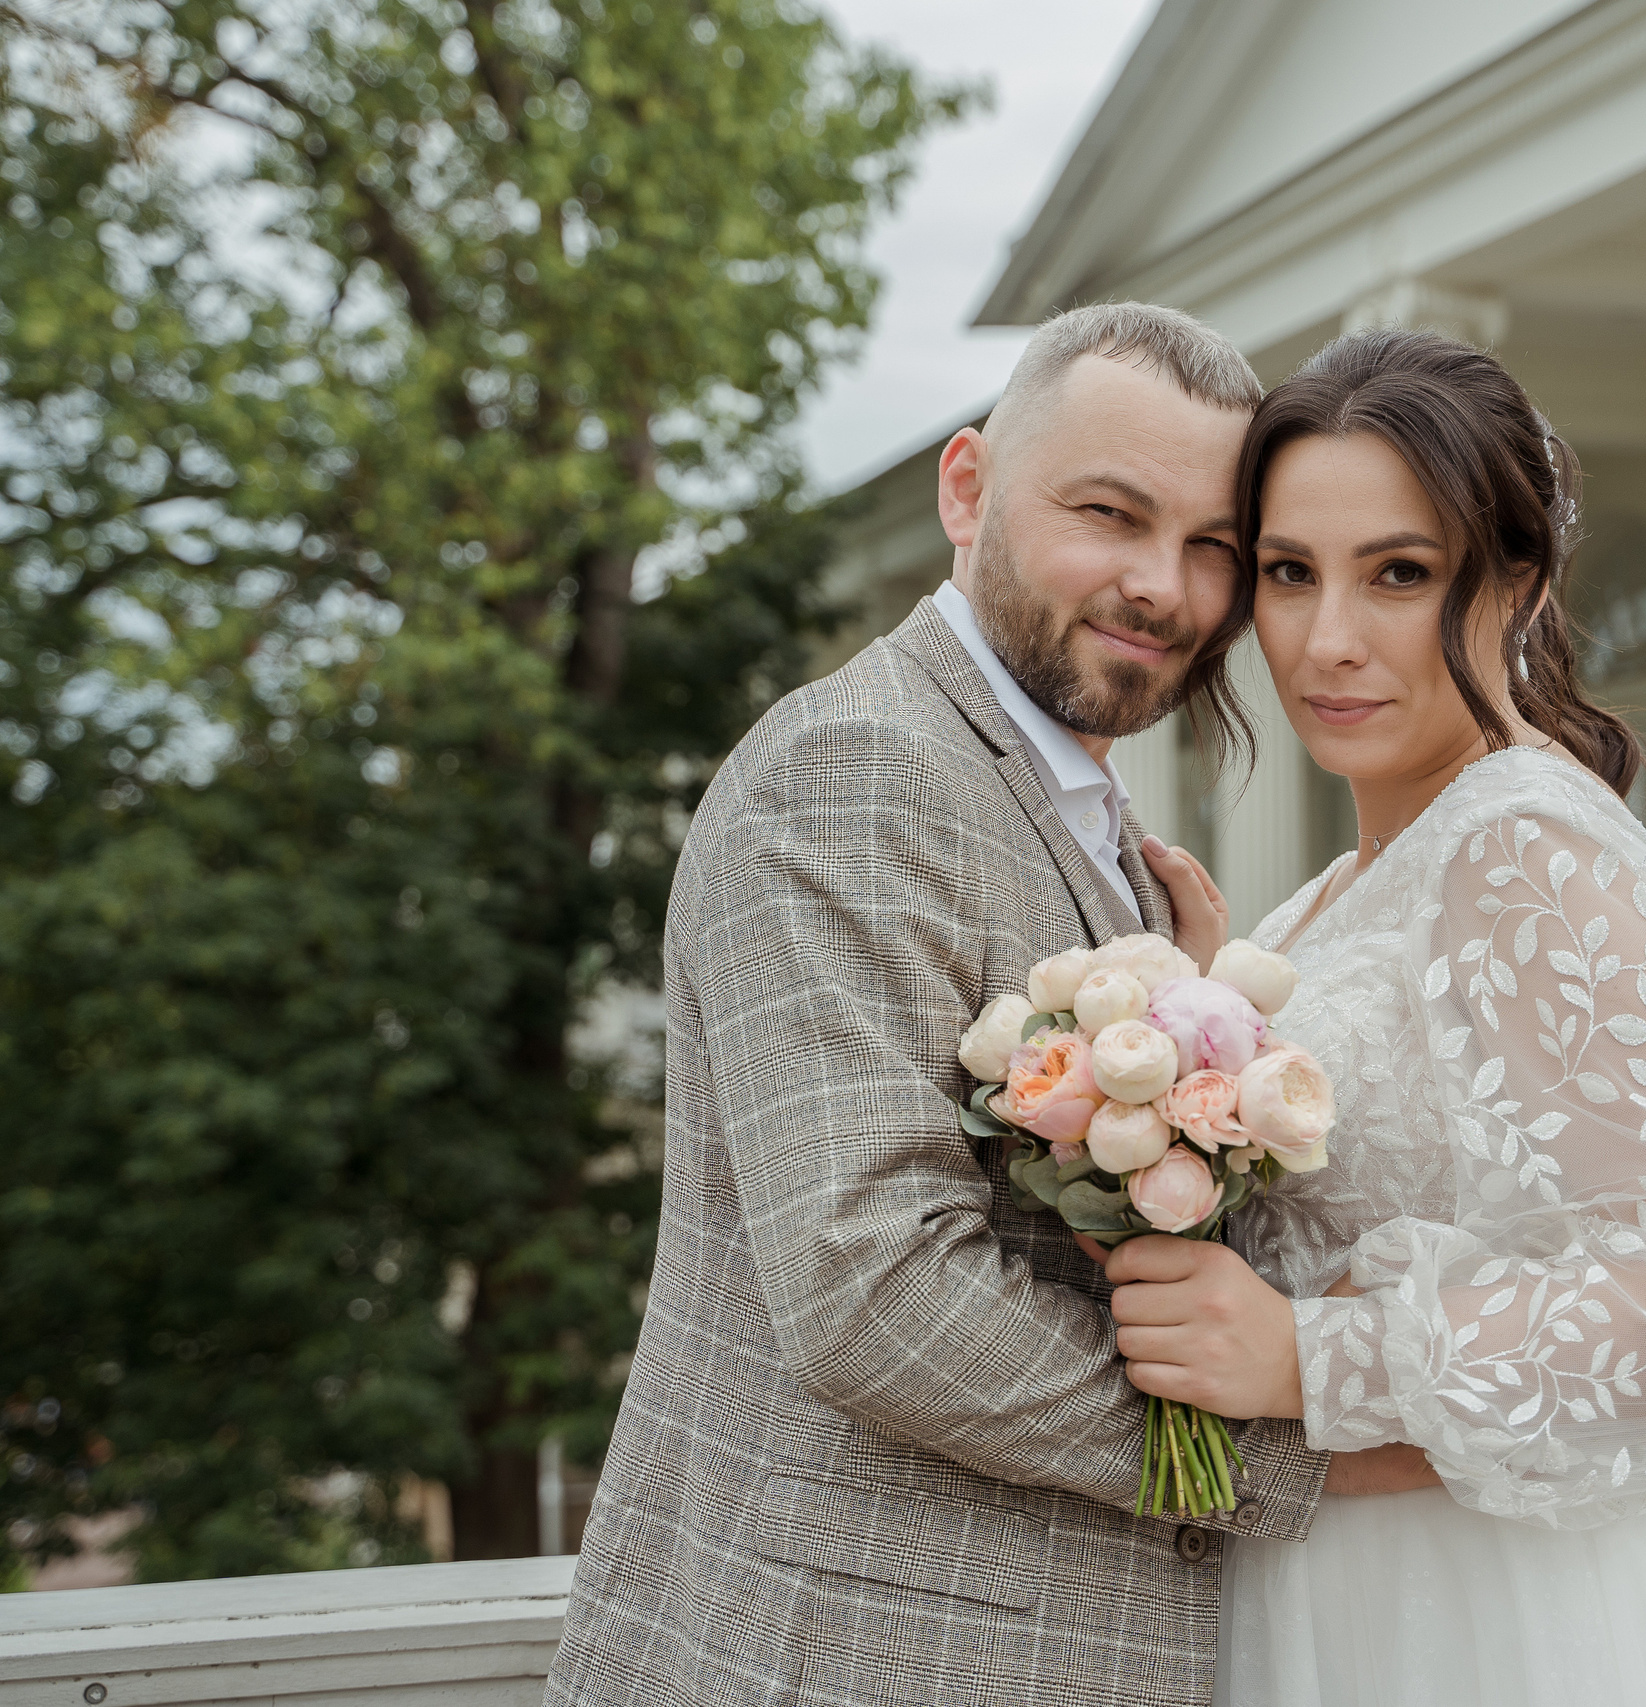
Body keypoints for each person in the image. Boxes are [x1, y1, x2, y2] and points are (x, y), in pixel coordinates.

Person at [543, 302, 1329, 1707]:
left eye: (1211, 544)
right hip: (859, 1660)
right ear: (967, 489)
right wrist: (1276, 1448)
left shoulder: (1086, 814)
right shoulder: (857, 768)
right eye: (1109, 511)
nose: (1163, 585)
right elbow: (873, 1286)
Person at [1104, 327, 1646, 1705]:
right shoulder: (1357, 880)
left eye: (1398, 574)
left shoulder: (1526, 844)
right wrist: (1213, 1002)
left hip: (1519, 1622)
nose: (1328, 641)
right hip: (1368, 1587)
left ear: (1516, 580)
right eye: (1289, 574)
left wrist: (1309, 1358)